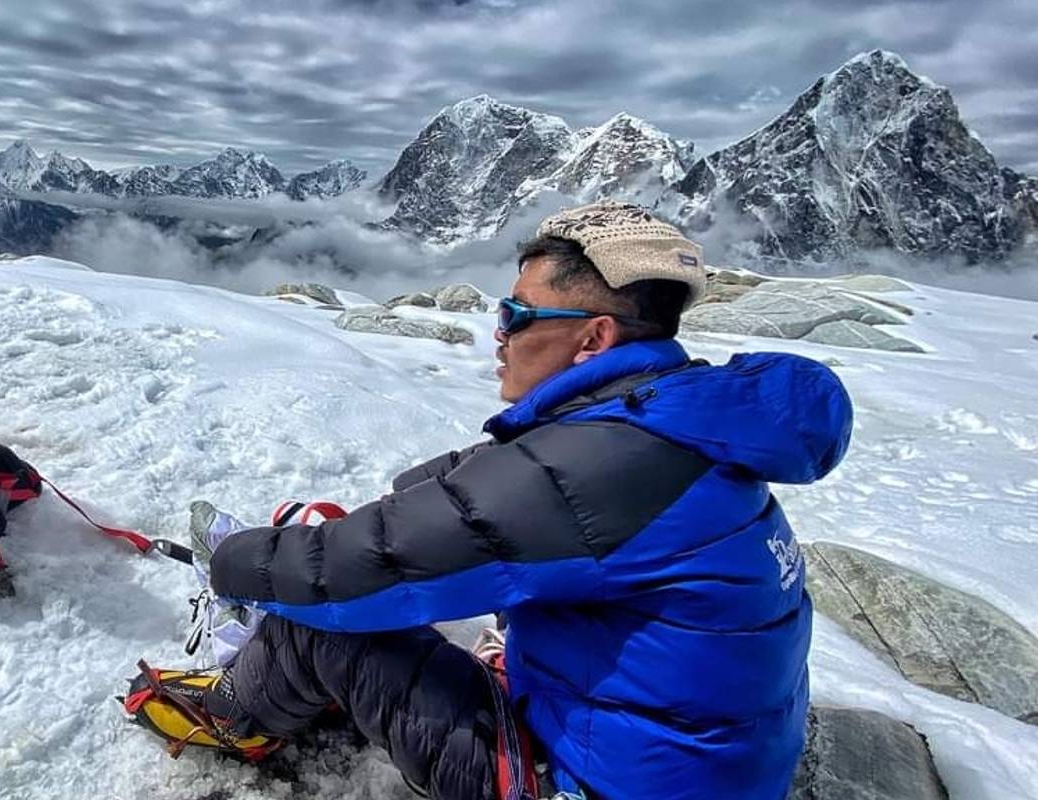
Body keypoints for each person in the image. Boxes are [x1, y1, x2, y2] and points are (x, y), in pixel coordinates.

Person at [124, 202, 853, 799]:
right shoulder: (674, 423)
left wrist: (230, 563)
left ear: (593, 339)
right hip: (703, 772)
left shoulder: (600, 463)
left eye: (516, 314)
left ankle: (232, 719)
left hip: (584, 787)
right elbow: (471, 499)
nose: (496, 333)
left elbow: (347, 569)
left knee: (318, 621)